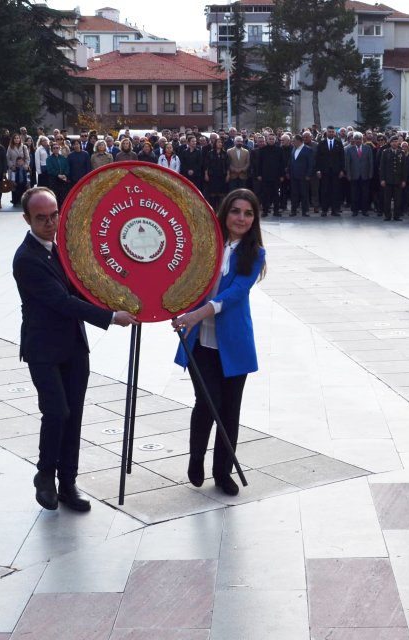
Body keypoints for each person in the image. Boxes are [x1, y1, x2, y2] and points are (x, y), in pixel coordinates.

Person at [12, 187, 137, 511]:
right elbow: (62, 301)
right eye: (41, 218)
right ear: (27, 219)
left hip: (73, 346)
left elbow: (86, 285)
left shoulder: (65, 248)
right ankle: (45, 476)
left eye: (54, 215)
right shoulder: (26, 259)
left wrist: (125, 290)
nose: (50, 223)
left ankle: (68, 484)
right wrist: (110, 317)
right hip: (43, 348)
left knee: (75, 415)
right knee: (57, 412)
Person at [171, 188, 267, 496]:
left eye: (248, 213)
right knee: (207, 402)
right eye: (236, 211)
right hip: (200, 341)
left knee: (230, 410)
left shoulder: (256, 254)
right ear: (225, 212)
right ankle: (196, 457)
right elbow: (181, 280)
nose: (241, 218)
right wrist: (179, 309)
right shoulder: (205, 245)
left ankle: (222, 471)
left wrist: (199, 313)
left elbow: (235, 292)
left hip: (234, 343)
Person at [344, 132, 374, 216]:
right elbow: (347, 163)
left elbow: (371, 162)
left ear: (362, 140)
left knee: (365, 194)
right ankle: (355, 210)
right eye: (356, 139)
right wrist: (348, 175)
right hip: (354, 175)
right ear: (354, 139)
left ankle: (365, 210)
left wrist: (370, 173)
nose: (358, 141)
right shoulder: (350, 149)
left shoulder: (367, 148)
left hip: (365, 175)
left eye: (359, 139)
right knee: (354, 194)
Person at [286, 133, 314, 216]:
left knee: (304, 194)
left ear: (298, 141)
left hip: (304, 176)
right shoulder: (294, 149)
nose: (292, 142)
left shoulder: (308, 150)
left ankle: (305, 211)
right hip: (294, 175)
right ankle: (293, 210)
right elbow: (291, 161)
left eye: (293, 141)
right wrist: (288, 171)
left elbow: (310, 163)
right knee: (294, 193)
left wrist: (308, 174)